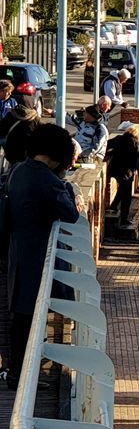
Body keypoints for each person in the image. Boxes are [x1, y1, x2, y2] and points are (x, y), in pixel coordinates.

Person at [3, 124, 81, 386]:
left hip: (18, 253)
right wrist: (68, 187)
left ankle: (15, 371)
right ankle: (20, 375)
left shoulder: (19, 170)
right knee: (30, 320)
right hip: (36, 258)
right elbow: (70, 212)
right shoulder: (47, 181)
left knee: (21, 319)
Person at [105, 121, 139, 229]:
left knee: (122, 189)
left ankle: (114, 206)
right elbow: (138, 159)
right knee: (126, 196)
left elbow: (106, 145)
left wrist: (111, 154)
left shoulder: (118, 139)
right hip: (127, 172)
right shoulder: (136, 143)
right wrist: (135, 170)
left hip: (115, 170)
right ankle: (124, 217)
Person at [0, 84, 44, 166]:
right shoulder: (35, 119)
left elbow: (2, 130)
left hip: (12, 153)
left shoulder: (11, 115)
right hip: (29, 155)